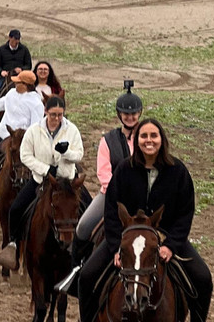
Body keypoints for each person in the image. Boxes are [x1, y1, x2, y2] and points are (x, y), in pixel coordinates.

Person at [77, 118, 213, 322]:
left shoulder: (178, 171)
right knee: (87, 276)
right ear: (137, 140)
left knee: (203, 278)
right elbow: (111, 210)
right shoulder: (124, 169)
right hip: (126, 237)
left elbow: (185, 213)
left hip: (166, 236)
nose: (149, 140)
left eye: (153, 136)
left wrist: (171, 246)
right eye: (144, 136)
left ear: (161, 139)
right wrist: (116, 247)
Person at [59, 82, 141, 292]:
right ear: (119, 115)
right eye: (126, 114)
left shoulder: (146, 137)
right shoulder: (108, 141)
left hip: (143, 198)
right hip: (111, 196)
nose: (130, 117)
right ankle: (75, 272)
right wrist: (118, 193)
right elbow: (104, 173)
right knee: (83, 227)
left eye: (133, 114)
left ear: (139, 114)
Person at [0, 95, 85, 271]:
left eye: (60, 115)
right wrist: (45, 169)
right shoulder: (34, 131)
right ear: (45, 112)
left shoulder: (72, 130)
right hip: (40, 181)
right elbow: (25, 155)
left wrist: (66, 153)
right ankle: (13, 245)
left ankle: (84, 250)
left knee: (87, 208)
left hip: (66, 182)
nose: (56, 118)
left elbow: (79, 154)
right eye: (53, 114)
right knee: (15, 209)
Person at [0, 69, 44, 211]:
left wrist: (23, 138)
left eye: (18, 82)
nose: (15, 84)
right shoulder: (12, 93)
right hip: (3, 135)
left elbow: (35, 126)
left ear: (26, 85)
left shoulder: (36, 103)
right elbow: (0, 104)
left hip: (21, 140)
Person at [0, 29, 32, 130]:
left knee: (34, 91)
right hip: (6, 77)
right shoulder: (1, 50)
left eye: (18, 39)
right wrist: (1, 72)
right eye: (15, 39)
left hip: (20, 77)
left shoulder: (24, 50)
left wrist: (22, 69)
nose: (17, 41)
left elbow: (29, 65)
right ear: (10, 38)